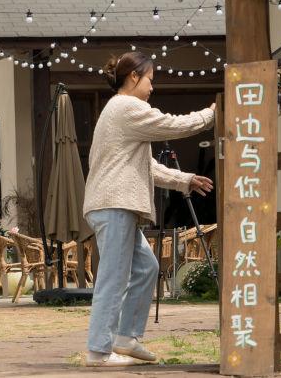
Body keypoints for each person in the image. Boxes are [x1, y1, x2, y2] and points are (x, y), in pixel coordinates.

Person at [82, 52, 215, 367]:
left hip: (115, 205)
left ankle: (125, 338)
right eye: (150, 80)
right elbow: (172, 125)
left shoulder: (118, 111)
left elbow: (147, 166)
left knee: (146, 268)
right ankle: (98, 351)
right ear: (133, 77)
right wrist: (211, 115)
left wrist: (184, 180)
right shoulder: (127, 107)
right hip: (115, 205)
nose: (152, 87)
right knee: (114, 278)